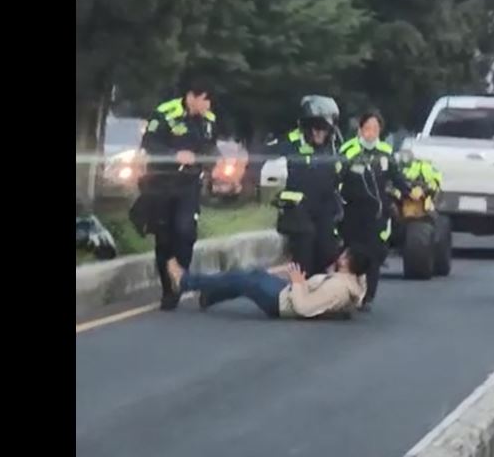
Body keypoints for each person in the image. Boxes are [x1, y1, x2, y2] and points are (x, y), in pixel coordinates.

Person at [138, 81, 218, 310]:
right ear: (192, 96)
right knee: (164, 238)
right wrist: (175, 155)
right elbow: (149, 143)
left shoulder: (209, 120)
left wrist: (213, 163)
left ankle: (180, 276)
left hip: (188, 185)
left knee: (185, 231)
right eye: (206, 99)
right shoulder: (166, 113)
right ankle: (168, 291)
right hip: (161, 184)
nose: (208, 105)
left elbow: (210, 147)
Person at [164, 246, 369, 320]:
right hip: (286, 292)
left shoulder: (338, 287)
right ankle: (210, 296)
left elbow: (304, 308)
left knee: (241, 278)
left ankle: (185, 281)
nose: (340, 255)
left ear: (347, 262)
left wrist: (298, 282)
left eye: (344, 255)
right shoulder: (351, 281)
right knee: (252, 275)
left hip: (280, 302)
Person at [337, 111, 407, 311]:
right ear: (360, 130)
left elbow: (397, 177)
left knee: (374, 254)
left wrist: (409, 192)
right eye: (367, 129)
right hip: (353, 212)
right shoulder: (348, 151)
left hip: (377, 212)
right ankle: (349, 293)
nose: (371, 133)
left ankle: (368, 297)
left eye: (375, 129)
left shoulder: (385, 151)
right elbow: (337, 177)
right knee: (352, 252)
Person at [276, 96, 344, 274]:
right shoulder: (290, 143)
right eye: (315, 128)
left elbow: (342, 174)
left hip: (325, 209)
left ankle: (322, 293)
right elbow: (267, 164)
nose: (318, 133)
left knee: (328, 251)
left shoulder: (334, 146)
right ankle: (302, 293)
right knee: (304, 252)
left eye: (324, 129)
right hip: (298, 211)